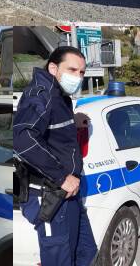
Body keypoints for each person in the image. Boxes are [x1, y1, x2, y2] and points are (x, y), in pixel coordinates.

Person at [13, 46, 97, 266]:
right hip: (50, 195)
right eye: (72, 70)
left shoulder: (60, 95)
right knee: (59, 261)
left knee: (86, 252)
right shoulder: (41, 94)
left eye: (81, 72)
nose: (77, 77)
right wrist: (62, 177)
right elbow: (23, 138)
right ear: (53, 68)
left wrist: (73, 120)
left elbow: (52, 130)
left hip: (68, 196)